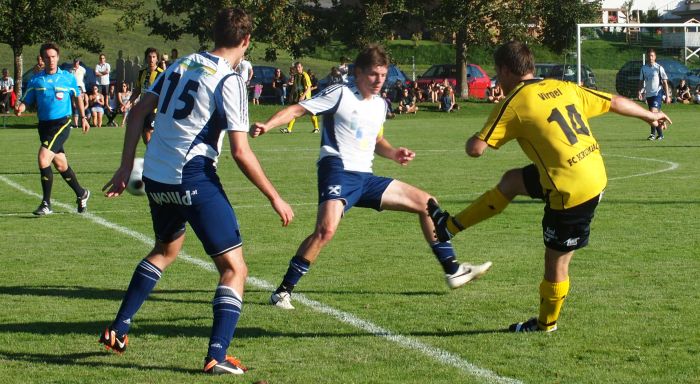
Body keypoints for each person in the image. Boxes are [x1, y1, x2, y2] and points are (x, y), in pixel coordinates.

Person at [427, 41, 672, 333]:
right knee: (512, 181)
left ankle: (546, 324)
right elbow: (613, 101)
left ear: (506, 70)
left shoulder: (514, 102)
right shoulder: (563, 87)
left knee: (556, 260)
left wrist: (474, 138)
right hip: (589, 170)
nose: (497, 79)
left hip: (571, 190)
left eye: (497, 73)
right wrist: (650, 115)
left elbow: (476, 150)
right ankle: (449, 227)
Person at [100, 8, 294, 375]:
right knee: (234, 268)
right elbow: (240, 151)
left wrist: (127, 166)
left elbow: (138, 111)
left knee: (166, 249)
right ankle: (217, 354)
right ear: (246, 41)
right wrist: (274, 196)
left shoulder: (180, 63)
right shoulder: (230, 80)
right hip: (193, 178)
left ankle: (119, 327)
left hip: (156, 177)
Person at [251, 44, 491, 310]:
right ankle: (283, 292)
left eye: (383, 75)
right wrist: (267, 124)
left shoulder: (379, 104)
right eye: (373, 74)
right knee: (325, 230)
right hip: (338, 170)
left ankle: (453, 270)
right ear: (358, 72)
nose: (379, 81)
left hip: (366, 178)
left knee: (427, 203)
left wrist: (394, 152)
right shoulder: (340, 93)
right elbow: (298, 110)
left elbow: (376, 140)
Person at [15, 42, 91, 216]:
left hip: (62, 123)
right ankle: (82, 193)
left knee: (43, 158)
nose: (51, 60)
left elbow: (78, 97)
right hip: (44, 126)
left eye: (54, 56)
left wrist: (84, 117)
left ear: (58, 57)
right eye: (47, 57)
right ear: (42, 58)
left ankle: (46, 203)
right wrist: (20, 108)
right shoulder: (36, 79)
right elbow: (27, 100)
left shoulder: (68, 77)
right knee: (61, 164)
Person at [127, 47, 164, 143]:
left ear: (157, 59)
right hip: (143, 109)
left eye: (153, 57)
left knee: (148, 135)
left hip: (154, 110)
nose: (151, 59)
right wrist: (128, 103)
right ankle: (155, 155)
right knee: (145, 137)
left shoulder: (161, 74)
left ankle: (152, 156)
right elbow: (137, 90)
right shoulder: (142, 73)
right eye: (149, 57)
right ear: (146, 58)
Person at [638, 48, 671, 141]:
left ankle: (655, 133)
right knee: (652, 116)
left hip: (657, 94)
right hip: (649, 95)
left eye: (652, 56)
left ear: (655, 57)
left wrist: (667, 96)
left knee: (652, 113)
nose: (650, 57)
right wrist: (639, 91)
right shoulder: (644, 68)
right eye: (649, 56)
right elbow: (641, 81)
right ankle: (658, 131)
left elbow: (665, 82)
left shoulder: (659, 68)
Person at [281, 61, 320, 134]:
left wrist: (303, 95)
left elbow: (309, 87)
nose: (298, 68)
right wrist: (291, 95)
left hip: (305, 98)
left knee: (311, 112)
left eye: (299, 67)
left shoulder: (305, 75)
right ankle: (289, 129)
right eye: (296, 67)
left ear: (302, 67)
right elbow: (294, 87)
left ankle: (317, 128)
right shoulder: (295, 76)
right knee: (293, 112)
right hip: (297, 97)